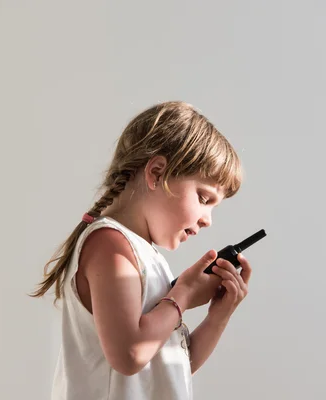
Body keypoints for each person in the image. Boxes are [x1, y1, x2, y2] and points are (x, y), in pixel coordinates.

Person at [31, 101, 252, 400]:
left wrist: (218, 316)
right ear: (157, 173)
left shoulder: (147, 257)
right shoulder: (110, 245)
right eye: (203, 197)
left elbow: (168, 369)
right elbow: (130, 354)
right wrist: (182, 295)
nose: (207, 220)